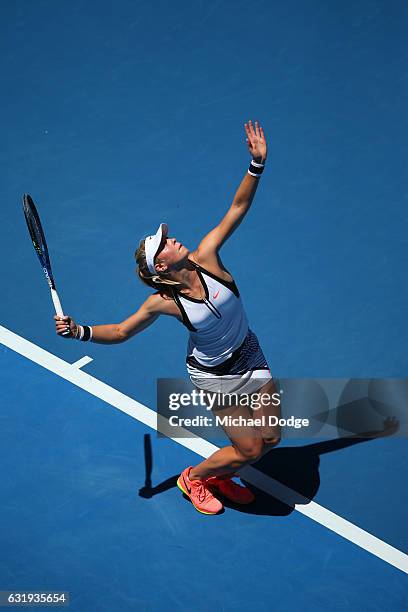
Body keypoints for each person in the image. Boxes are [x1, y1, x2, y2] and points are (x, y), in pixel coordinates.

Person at [55, 120, 281, 515]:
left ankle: (222, 473)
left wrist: (256, 165)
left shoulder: (208, 256)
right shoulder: (164, 302)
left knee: (272, 437)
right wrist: (80, 331)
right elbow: (123, 330)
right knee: (248, 448)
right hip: (216, 375)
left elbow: (238, 207)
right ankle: (194, 478)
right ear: (161, 266)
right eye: (165, 243)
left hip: (250, 353)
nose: (173, 237)